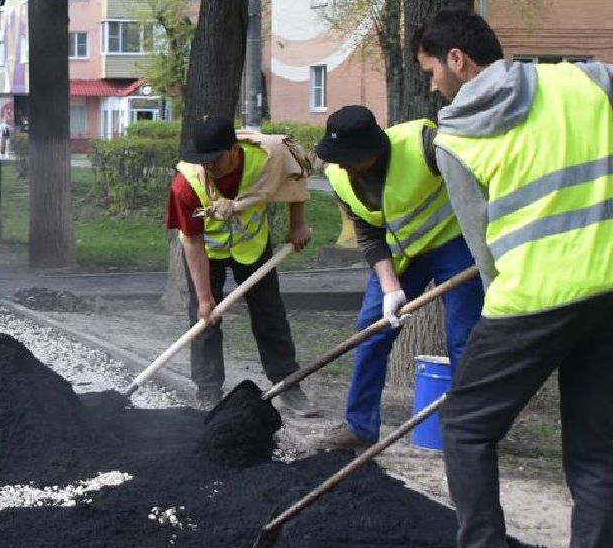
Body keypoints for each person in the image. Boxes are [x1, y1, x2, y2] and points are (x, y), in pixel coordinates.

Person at [415, 6, 613, 548]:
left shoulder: (454, 140)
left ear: (457, 60)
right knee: (593, 448)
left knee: (466, 425)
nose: (433, 87)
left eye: (431, 72)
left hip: (534, 297)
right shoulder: (579, 81)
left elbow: (485, 255)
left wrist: (513, 307)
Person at [312, 105, 484, 452]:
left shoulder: (425, 145)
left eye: (349, 158)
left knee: (463, 339)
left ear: (371, 150)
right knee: (371, 333)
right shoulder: (340, 177)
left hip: (455, 246)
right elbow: (368, 232)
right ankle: (360, 427)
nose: (342, 165)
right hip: (402, 256)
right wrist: (390, 287)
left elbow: (479, 174)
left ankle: (470, 431)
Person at [166, 116, 320, 415]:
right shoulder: (186, 184)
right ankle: (208, 391)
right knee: (205, 320)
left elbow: (294, 180)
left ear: (234, 149)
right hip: (208, 252)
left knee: (270, 316)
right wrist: (204, 297)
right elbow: (193, 241)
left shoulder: (267, 158)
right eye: (204, 161)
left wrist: (298, 225)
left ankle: (288, 385)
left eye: (216, 159)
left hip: (252, 246)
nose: (210, 167)